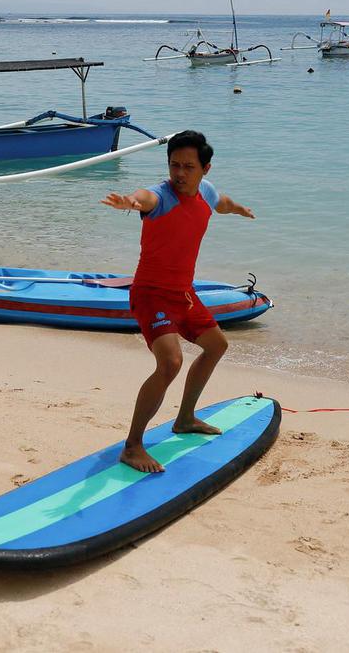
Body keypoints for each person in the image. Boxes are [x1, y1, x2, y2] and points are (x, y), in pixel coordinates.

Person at [101, 130, 255, 473]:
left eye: (188, 167)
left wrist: (241, 209)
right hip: (151, 294)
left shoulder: (207, 192)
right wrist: (129, 202)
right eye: (174, 166)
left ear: (206, 169)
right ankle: (132, 446)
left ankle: (185, 418)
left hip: (183, 294)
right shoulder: (161, 196)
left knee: (216, 345)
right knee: (170, 362)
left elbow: (221, 203)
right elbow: (144, 197)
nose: (180, 174)